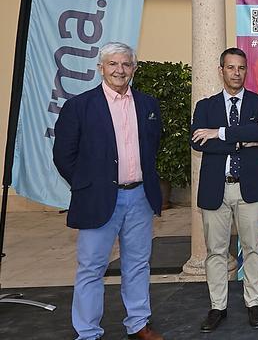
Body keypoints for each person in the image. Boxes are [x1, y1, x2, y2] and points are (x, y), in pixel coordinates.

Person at [52, 42, 165, 340]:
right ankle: (88, 333)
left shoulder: (148, 105)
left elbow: (154, 145)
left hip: (139, 197)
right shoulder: (79, 106)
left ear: (134, 68)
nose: (120, 70)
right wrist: (86, 185)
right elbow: (64, 154)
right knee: (91, 268)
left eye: (126, 64)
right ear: (101, 67)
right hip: (98, 200)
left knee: (138, 264)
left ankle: (138, 324)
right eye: (113, 64)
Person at [190, 47, 258, 332]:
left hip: (250, 189)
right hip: (217, 189)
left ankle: (254, 304)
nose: (236, 73)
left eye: (240, 68)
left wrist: (220, 133)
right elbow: (198, 142)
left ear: (246, 70)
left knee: (253, 248)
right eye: (230, 68)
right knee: (215, 251)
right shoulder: (205, 106)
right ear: (221, 70)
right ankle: (217, 307)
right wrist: (240, 141)